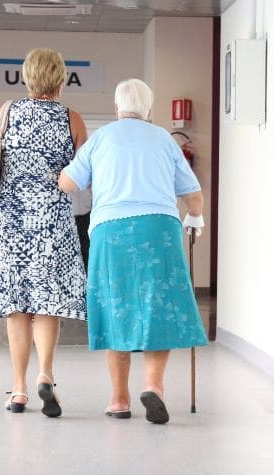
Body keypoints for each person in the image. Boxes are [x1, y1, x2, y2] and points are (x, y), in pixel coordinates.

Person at [58, 78, 208, 424]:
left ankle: (119, 399)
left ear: (116, 108)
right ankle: (153, 387)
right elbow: (193, 194)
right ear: (150, 110)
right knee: (158, 305)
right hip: (160, 228)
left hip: (111, 232)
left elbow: (69, 183)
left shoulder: (101, 139)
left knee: (116, 307)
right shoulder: (163, 140)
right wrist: (195, 218)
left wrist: (66, 172)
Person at [0, 48, 88, 417]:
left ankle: (19, 390)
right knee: (47, 303)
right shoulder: (72, 119)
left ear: (26, 78)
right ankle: (46, 375)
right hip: (52, 222)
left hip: (10, 223)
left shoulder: (7, 112)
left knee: (16, 306)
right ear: (61, 79)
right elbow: (83, 176)